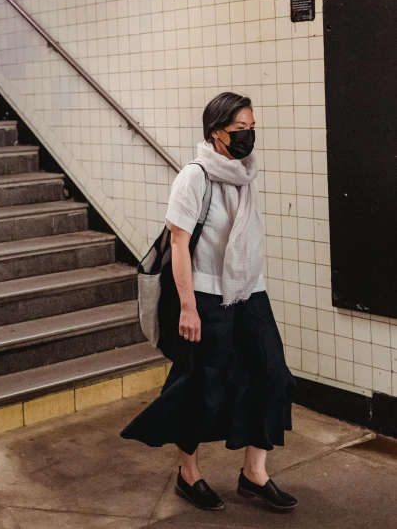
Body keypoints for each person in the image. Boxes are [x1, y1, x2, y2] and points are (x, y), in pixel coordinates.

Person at [121, 92, 298, 512]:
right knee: (202, 386)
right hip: (205, 294)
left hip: (249, 290)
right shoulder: (194, 177)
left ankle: (254, 473)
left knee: (272, 374)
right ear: (215, 131)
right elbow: (179, 246)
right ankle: (189, 473)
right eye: (240, 131)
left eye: (252, 129)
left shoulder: (245, 172)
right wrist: (187, 307)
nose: (248, 138)